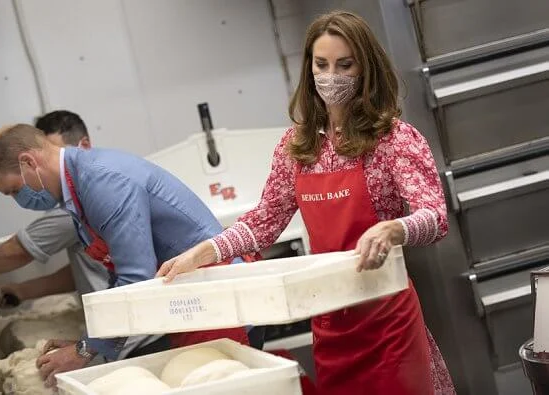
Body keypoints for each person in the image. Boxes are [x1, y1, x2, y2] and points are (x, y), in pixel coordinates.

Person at [156, 11, 456, 395]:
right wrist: (207, 250)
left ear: (366, 69)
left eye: (344, 65)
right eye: (322, 64)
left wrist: (395, 228)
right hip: (331, 324)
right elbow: (265, 220)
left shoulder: (394, 139)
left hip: (387, 323)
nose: (331, 76)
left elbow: (434, 217)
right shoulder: (298, 147)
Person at [0, 119, 262, 387]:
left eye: (14, 190)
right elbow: (121, 280)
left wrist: (85, 350)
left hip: (218, 307)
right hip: (190, 308)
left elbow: (135, 279)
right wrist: (88, 342)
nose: (18, 200)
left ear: (29, 162)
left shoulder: (103, 182)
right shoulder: (79, 188)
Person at [0, 110, 159, 359]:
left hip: (133, 335)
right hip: (119, 331)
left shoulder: (93, 192)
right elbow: (93, 268)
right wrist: (23, 291)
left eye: (14, 190)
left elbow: (18, 251)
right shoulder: (74, 202)